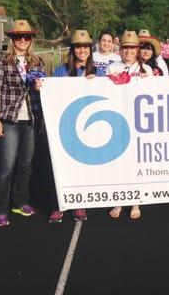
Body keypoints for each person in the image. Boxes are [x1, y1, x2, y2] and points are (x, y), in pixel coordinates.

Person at [0, 20, 45, 227]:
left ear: (31, 40)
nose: (23, 40)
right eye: (18, 37)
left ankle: (20, 201)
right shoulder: (2, 62)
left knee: (26, 164)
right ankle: (0, 209)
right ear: (11, 39)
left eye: (27, 36)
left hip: (31, 119)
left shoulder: (38, 62)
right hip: (10, 119)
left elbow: (44, 91)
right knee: (6, 166)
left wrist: (41, 88)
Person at [47, 29, 106, 223]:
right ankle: (60, 204)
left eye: (85, 47)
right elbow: (51, 96)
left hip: (88, 128)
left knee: (82, 166)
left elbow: (112, 94)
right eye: (78, 47)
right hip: (64, 126)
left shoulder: (99, 73)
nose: (82, 50)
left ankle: (79, 204)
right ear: (73, 50)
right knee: (61, 167)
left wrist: (98, 83)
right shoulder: (61, 71)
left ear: (90, 49)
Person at [107, 30, 154, 219]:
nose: (128, 52)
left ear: (137, 50)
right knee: (119, 161)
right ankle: (119, 199)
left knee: (136, 161)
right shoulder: (112, 67)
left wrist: (146, 83)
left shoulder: (146, 70)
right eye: (125, 48)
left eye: (132, 48)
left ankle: (136, 201)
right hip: (118, 119)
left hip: (138, 120)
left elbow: (153, 94)